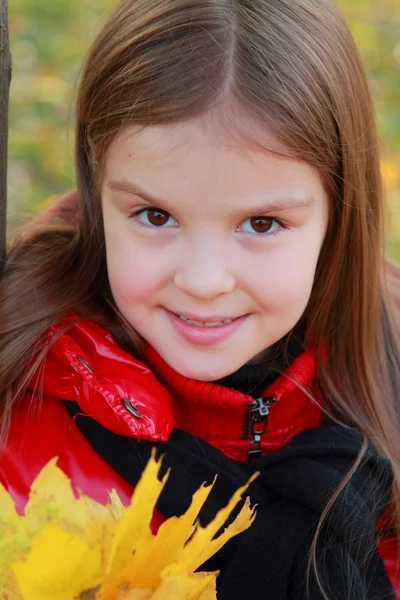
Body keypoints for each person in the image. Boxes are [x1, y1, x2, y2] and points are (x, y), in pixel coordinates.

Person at [1, 0, 399, 597]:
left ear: (338, 216)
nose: (205, 280)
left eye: (261, 224)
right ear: (96, 189)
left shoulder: (387, 389)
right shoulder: (18, 413)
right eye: (155, 215)